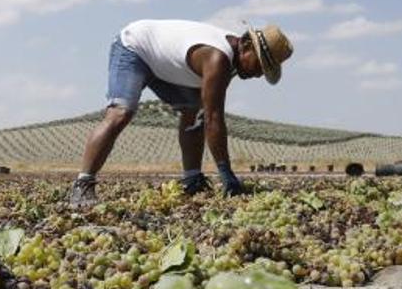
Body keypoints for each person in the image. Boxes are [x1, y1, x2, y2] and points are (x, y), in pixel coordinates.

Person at [67, 19, 292, 206]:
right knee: (120, 113)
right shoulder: (218, 58)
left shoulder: (233, 59)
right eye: (260, 65)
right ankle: (83, 185)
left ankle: (192, 179)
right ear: (245, 45)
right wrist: (226, 173)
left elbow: (207, 113)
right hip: (134, 48)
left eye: (265, 69)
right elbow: (215, 118)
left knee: (195, 112)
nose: (259, 74)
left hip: (163, 66)